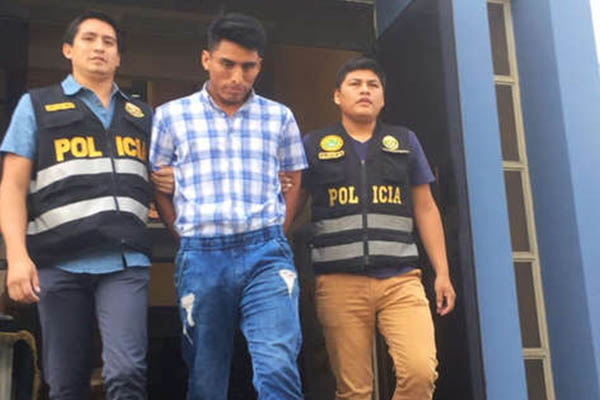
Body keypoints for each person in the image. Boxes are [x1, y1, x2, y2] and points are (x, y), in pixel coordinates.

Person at [149, 13, 307, 400]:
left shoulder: (279, 116)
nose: (237, 77)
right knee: (206, 372)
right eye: (227, 64)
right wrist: (181, 233)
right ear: (206, 59)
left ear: (259, 65)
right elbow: (158, 182)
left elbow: (294, 175)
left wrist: (279, 230)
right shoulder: (171, 116)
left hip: (266, 252)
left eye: (248, 66)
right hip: (201, 255)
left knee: (278, 362)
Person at [0, 11, 153, 399]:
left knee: (127, 372)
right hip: (57, 260)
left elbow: (166, 173)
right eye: (89, 39)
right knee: (65, 382)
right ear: (68, 50)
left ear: (119, 57)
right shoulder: (36, 106)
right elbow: (12, 186)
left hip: (124, 261)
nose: (99, 47)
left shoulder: (141, 115)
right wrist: (16, 257)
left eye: (108, 42)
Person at [297, 56, 456, 400]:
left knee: (420, 372)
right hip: (338, 283)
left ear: (383, 98)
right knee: (354, 391)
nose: (365, 91)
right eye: (355, 84)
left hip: (401, 280)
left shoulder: (404, 141)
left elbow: (426, 209)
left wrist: (442, 273)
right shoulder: (314, 145)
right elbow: (291, 205)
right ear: (337, 95)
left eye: (373, 85)